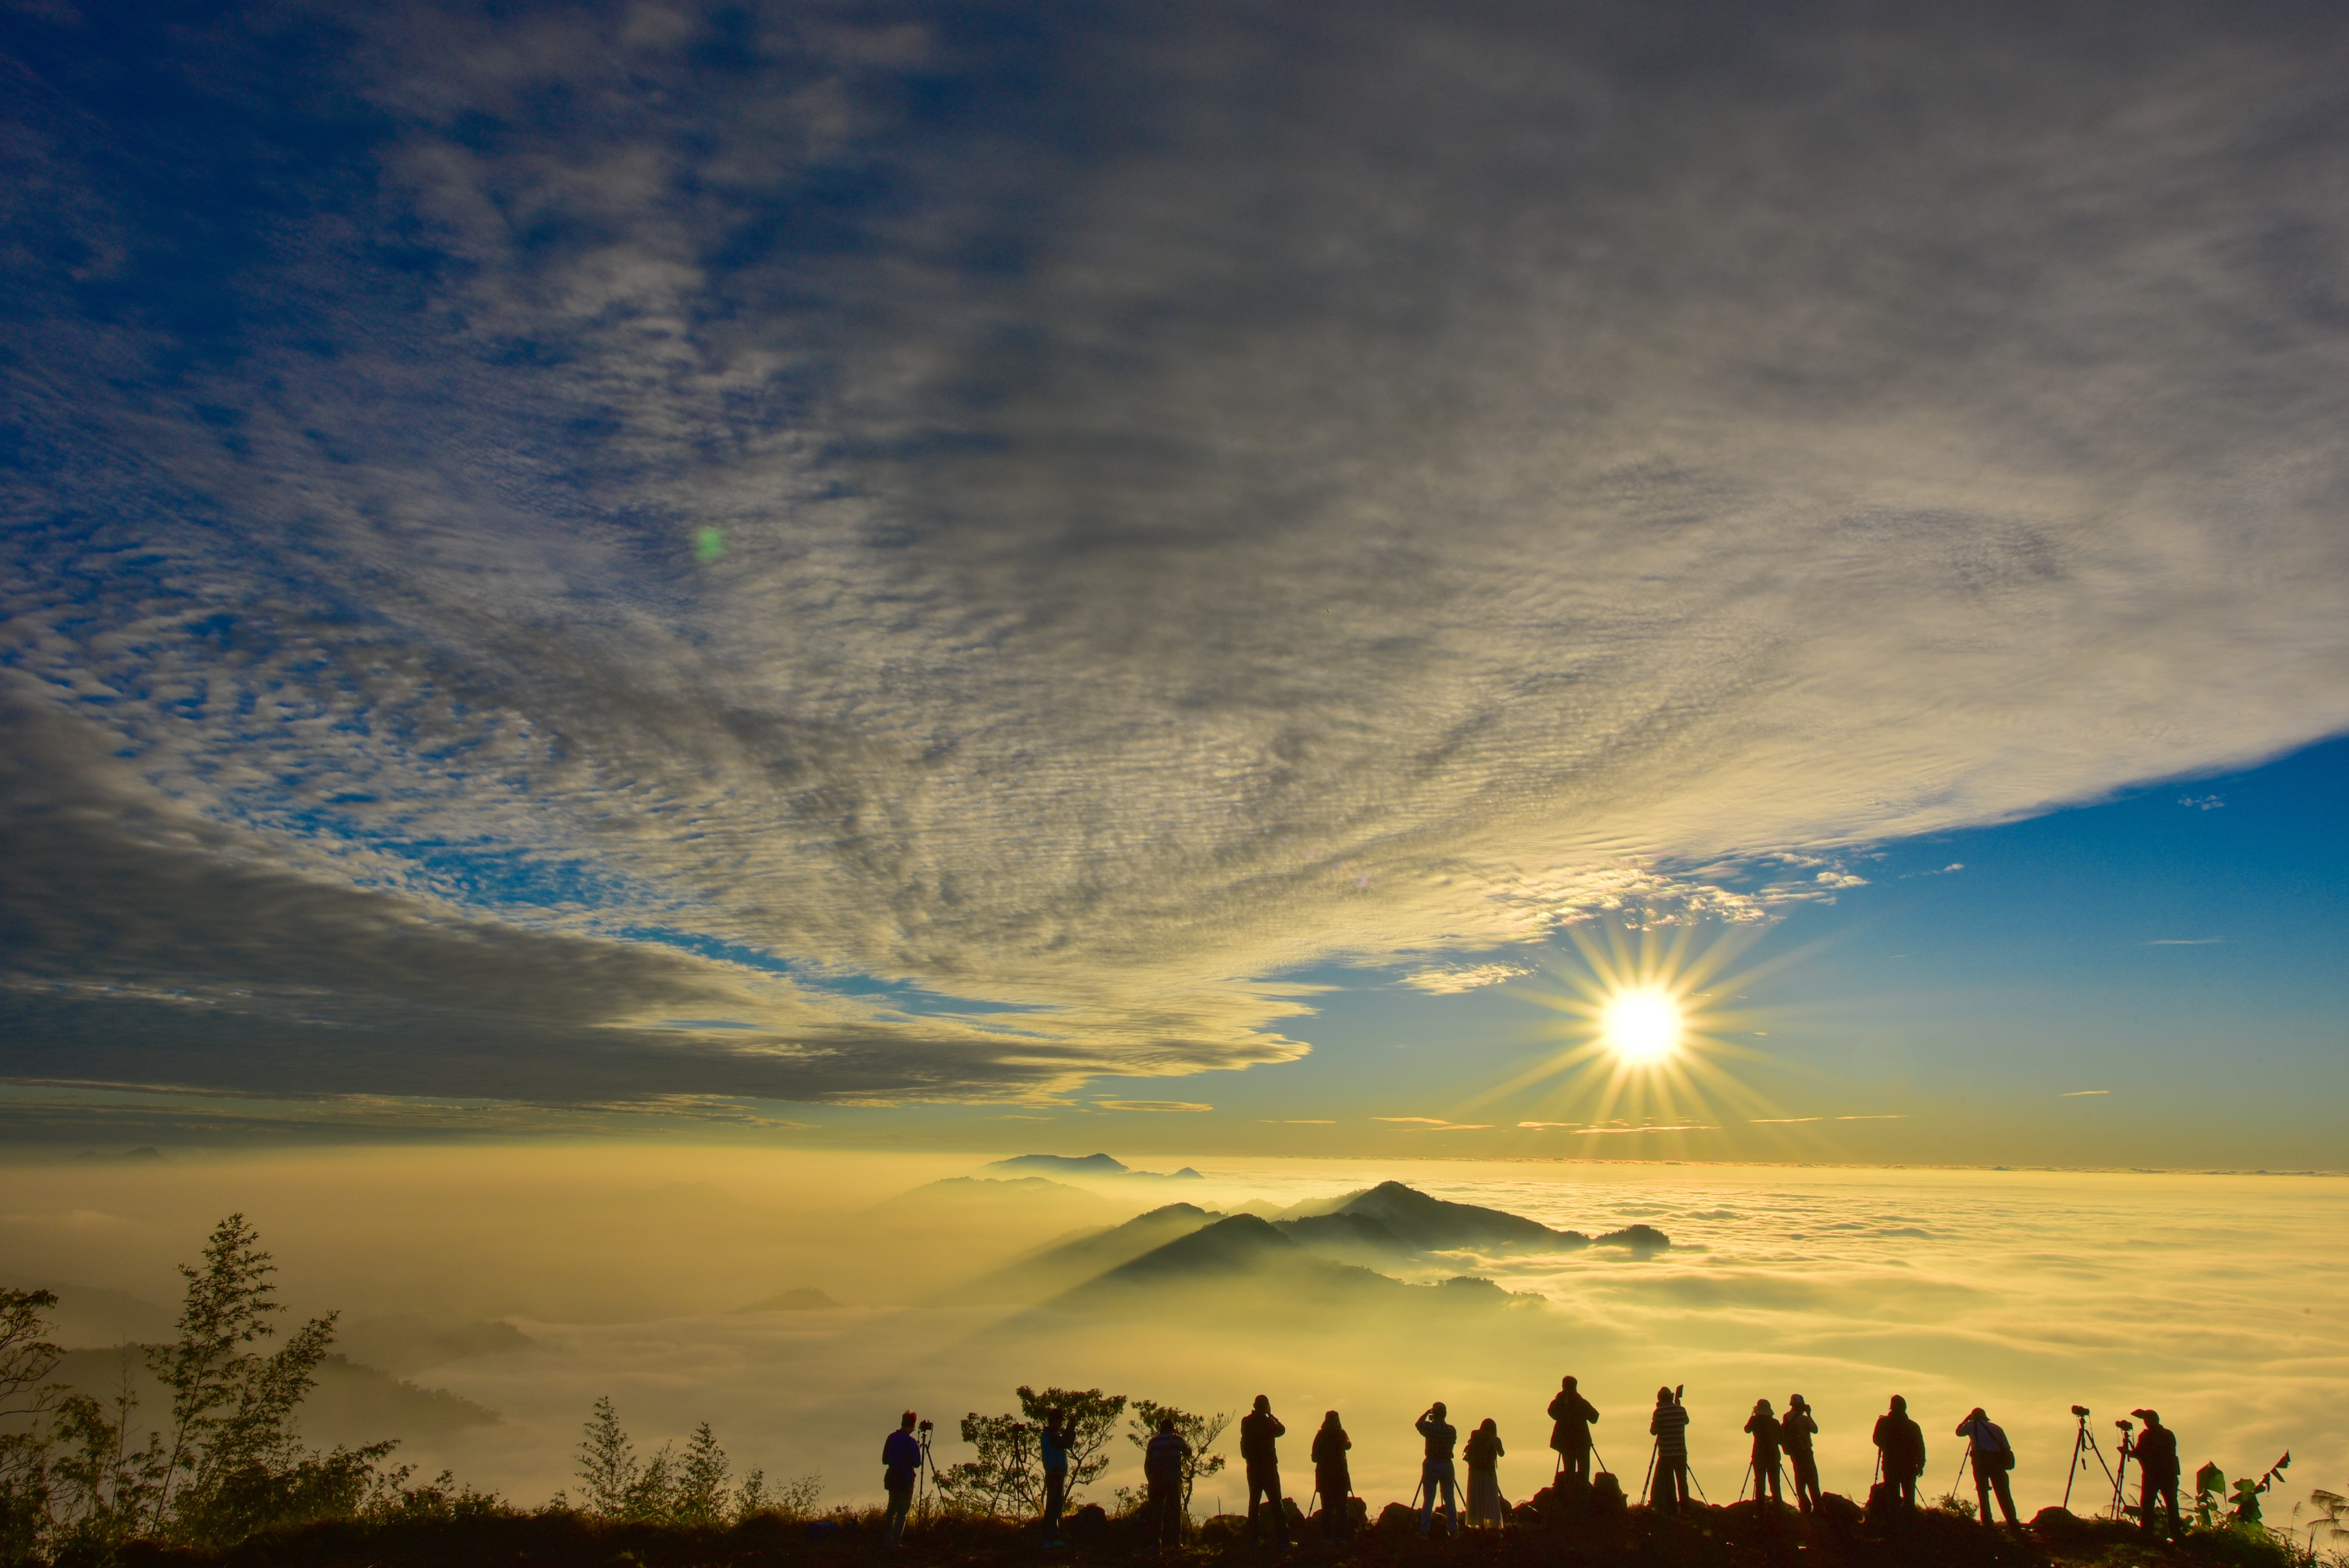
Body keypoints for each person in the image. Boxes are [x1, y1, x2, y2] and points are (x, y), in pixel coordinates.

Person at [1954, 1408, 2019, 1527]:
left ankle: (1987, 1522)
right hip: (1997, 1462)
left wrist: (1967, 1419)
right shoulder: (1996, 1428)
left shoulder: (1971, 1425)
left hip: (1980, 1461)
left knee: (1983, 1492)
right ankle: (2013, 1522)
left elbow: (1959, 1432)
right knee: (2004, 1493)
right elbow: (2006, 1447)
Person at [1239, 1394, 1289, 1546]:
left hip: (1253, 1467)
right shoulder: (1268, 1423)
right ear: (1266, 1407)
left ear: (1255, 1406)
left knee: (1254, 1504)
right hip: (1268, 1468)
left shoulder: (1247, 1422)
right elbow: (1282, 1430)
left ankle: (1253, 1540)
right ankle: (1284, 1541)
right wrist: (1271, 1414)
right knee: (1276, 1504)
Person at [2131, 1409, 2181, 1538]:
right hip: (2169, 1473)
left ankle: (2146, 1532)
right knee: (2172, 1504)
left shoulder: (2147, 1436)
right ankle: (2176, 1532)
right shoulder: (2169, 1434)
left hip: (2153, 1474)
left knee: (2148, 1503)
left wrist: (2128, 1452)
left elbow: (2140, 1453)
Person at [1144, 1415, 1192, 1550]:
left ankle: (1156, 1543)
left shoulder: (1153, 1442)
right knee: (1175, 1509)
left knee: (1157, 1511)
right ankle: (1177, 1542)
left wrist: (1151, 1479)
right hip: (1173, 1477)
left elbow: (1148, 1463)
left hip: (1157, 1479)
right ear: (1172, 1428)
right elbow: (1188, 1453)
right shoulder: (1177, 1440)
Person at [1871, 1395, 1925, 1511]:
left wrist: (1887, 1446)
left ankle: (1895, 1524)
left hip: (1891, 1465)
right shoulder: (1913, 1426)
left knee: (1892, 1499)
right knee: (1909, 1500)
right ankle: (1909, 1523)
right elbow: (1920, 1447)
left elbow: (1877, 1439)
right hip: (1909, 1467)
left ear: (1892, 1407)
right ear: (1905, 1408)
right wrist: (1920, 1466)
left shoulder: (1884, 1423)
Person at [1416, 1402, 1460, 1536]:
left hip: (1431, 1463)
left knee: (1429, 1499)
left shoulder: (1430, 1428)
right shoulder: (1451, 1430)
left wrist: (1427, 1413)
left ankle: (1425, 1531)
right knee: (1450, 1499)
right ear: (1445, 1414)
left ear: (1434, 1414)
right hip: (1447, 1464)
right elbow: (1452, 1444)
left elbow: (1418, 1424)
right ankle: (1453, 1530)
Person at [1548, 1376, 1600, 1486]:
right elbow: (1595, 1417)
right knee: (1583, 1474)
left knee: (1570, 1473)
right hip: (1582, 1443)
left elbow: (1552, 1412)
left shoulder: (1562, 1402)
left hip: (1567, 1444)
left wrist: (1561, 1399)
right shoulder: (1580, 1402)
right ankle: (1582, 1496)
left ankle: (1571, 1496)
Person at [1311, 1411, 1354, 1543]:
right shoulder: (1341, 1434)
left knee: (1327, 1509)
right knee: (1342, 1508)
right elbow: (1349, 1445)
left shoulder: (1321, 1436)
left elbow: (1314, 1458)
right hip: (1340, 1477)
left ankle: (1328, 1538)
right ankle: (1342, 1538)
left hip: (1325, 1478)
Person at [882, 1411, 923, 1549]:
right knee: (902, 1512)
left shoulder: (891, 1438)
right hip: (906, 1479)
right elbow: (917, 1463)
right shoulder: (911, 1442)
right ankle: (896, 1543)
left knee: (891, 1510)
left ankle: (887, 1541)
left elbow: (885, 1460)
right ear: (913, 1424)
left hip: (893, 1478)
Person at [1648, 1387, 1690, 1516]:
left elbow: (1653, 1431)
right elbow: (1686, 1421)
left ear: (1660, 1399)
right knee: (1683, 1482)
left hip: (1666, 1454)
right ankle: (1686, 1510)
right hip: (1681, 1453)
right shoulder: (1681, 1411)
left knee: (1669, 1484)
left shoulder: (1659, 1412)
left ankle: (1673, 1511)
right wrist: (1678, 1406)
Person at [1464, 1418, 1507, 1529]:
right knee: (1490, 1497)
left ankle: (1478, 1523)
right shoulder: (1495, 1440)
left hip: (1475, 1473)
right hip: (1489, 1473)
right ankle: (1491, 1524)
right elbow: (1502, 1454)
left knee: (1477, 1496)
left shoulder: (1476, 1437)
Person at [1782, 1395, 1821, 1513]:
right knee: (1812, 1480)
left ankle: (1805, 1506)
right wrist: (1809, 1414)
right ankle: (1818, 1507)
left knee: (1800, 1479)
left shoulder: (1787, 1417)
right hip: (1806, 1453)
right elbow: (1815, 1429)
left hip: (1795, 1454)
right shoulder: (1804, 1419)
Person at [1038, 1406, 1072, 1543]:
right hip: (1054, 1474)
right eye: (1059, 1421)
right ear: (1053, 1421)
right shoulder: (1050, 1435)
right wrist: (1070, 1430)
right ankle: (1049, 1537)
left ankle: (1052, 1535)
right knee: (1053, 1506)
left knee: (1056, 1505)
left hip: (1058, 1474)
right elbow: (1064, 1443)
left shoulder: (1052, 1435)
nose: (1060, 1424)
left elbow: (1064, 1443)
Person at [1745, 1399, 1784, 1505]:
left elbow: (1747, 1430)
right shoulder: (1775, 1423)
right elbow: (1781, 1439)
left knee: (1760, 1483)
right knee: (1776, 1484)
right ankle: (1778, 1507)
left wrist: (1753, 1417)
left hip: (1759, 1455)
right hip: (1774, 1455)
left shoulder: (1755, 1421)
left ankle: (1760, 1507)